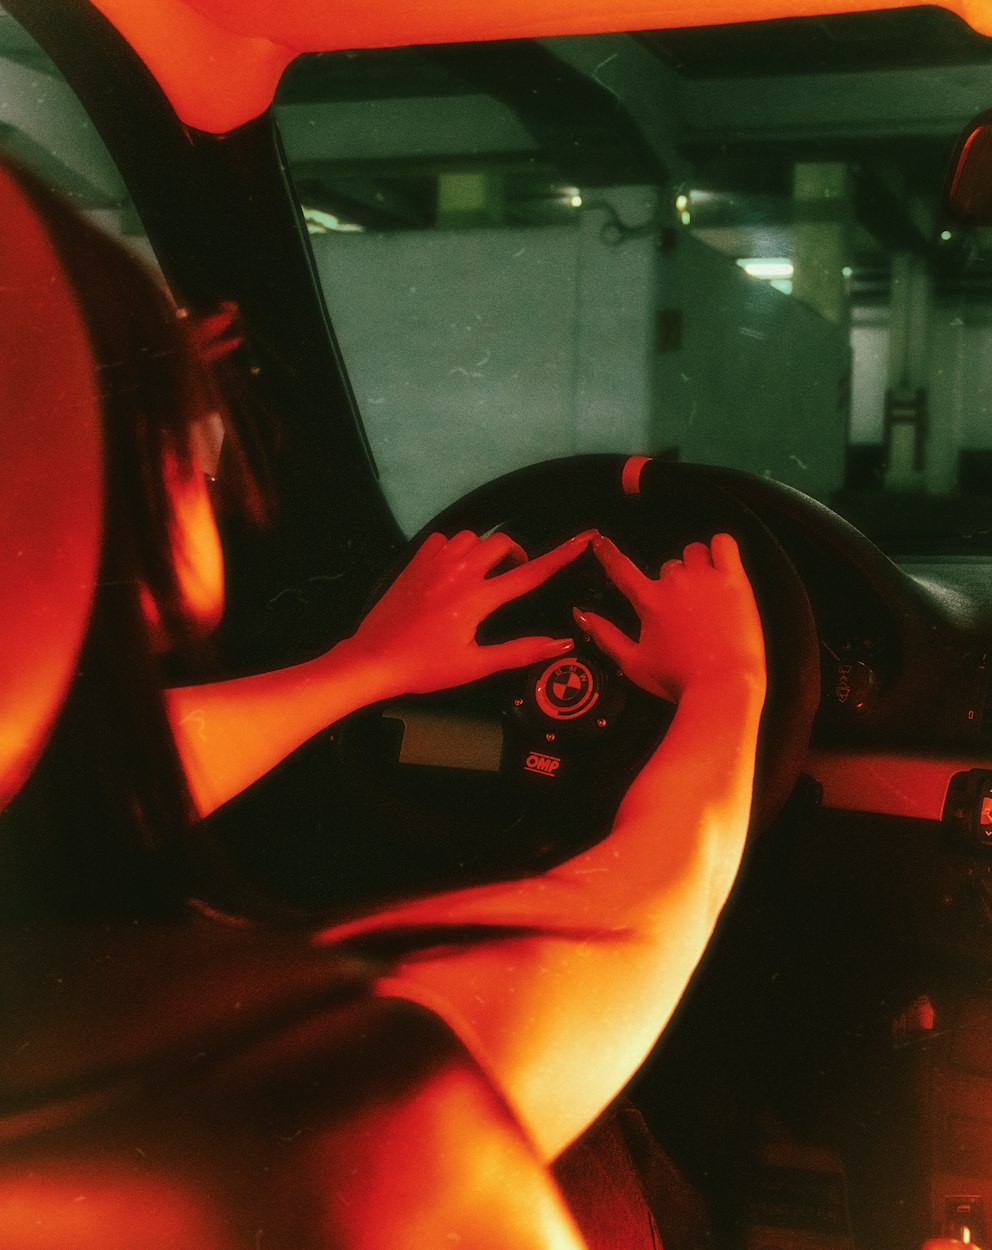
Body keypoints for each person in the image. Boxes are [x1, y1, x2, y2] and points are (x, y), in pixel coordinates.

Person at [0, 157, 766, 1245]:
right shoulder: (280, 1096)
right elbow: (629, 921)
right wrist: (730, 679)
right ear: (79, 474)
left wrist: (370, 664)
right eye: (187, 419)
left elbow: (93, 774)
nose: (218, 443)